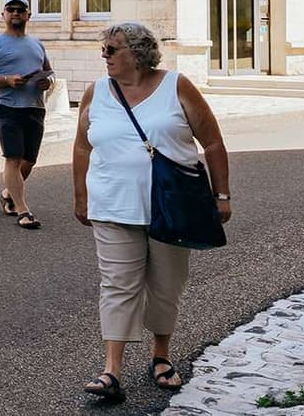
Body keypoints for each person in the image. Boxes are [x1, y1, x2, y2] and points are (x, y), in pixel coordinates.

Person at [74, 22, 232, 404]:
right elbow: (82, 147)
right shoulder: (96, 92)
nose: (105, 55)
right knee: (117, 285)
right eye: (105, 49)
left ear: (139, 53)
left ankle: (160, 356)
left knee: (166, 286)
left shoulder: (176, 86)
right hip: (112, 205)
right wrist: (80, 196)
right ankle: (111, 370)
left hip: (171, 208)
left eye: (113, 49)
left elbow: (211, 142)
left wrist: (221, 195)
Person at [0, 0, 54, 230]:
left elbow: (48, 72)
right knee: (13, 157)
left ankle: (7, 193)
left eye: (21, 10)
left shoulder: (36, 44)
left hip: (35, 108)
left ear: (28, 15)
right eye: (10, 9)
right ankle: (24, 211)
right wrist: (6, 80)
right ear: (4, 15)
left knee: (29, 160)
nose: (16, 13)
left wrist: (46, 82)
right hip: (7, 107)